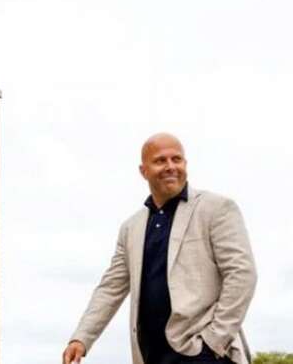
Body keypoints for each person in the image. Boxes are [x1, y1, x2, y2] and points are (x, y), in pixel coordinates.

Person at [62, 133, 257, 364]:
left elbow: (242, 274)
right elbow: (110, 287)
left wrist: (214, 340)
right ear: (143, 171)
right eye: (160, 161)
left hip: (202, 353)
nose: (170, 166)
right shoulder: (131, 228)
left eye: (177, 159)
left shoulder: (216, 208)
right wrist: (81, 338)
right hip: (151, 355)